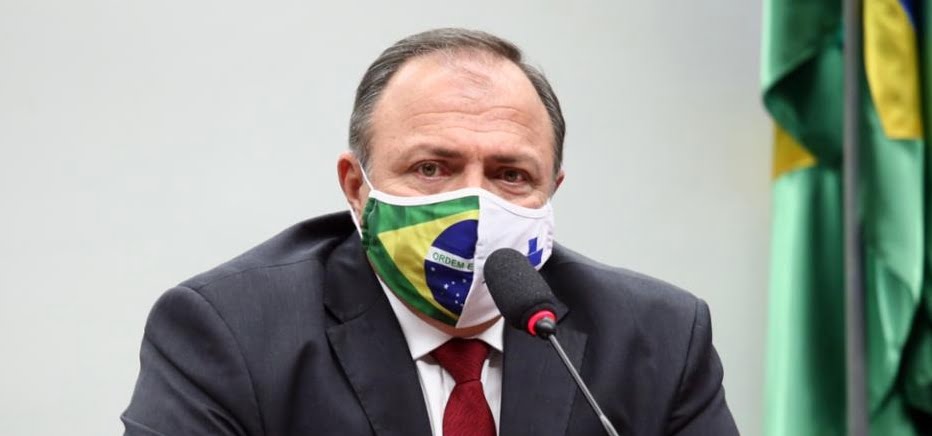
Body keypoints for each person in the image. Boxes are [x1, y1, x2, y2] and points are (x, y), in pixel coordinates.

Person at [122, 28, 738, 436]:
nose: (473, 204)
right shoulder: (231, 332)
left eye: (510, 174)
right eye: (431, 169)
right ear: (357, 188)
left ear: (552, 189)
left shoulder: (658, 338)